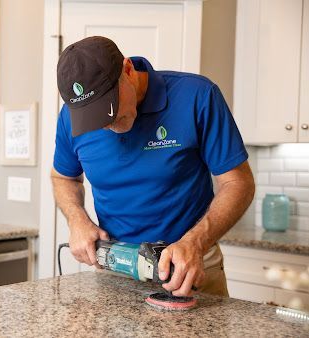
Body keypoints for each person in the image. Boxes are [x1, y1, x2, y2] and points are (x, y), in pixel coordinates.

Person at [52, 36, 255, 297]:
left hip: (188, 266)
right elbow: (63, 178)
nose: (106, 124)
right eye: (93, 117)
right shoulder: (70, 119)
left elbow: (238, 182)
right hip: (116, 268)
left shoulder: (198, 96)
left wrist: (195, 242)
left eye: (108, 109)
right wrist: (77, 220)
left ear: (127, 70)